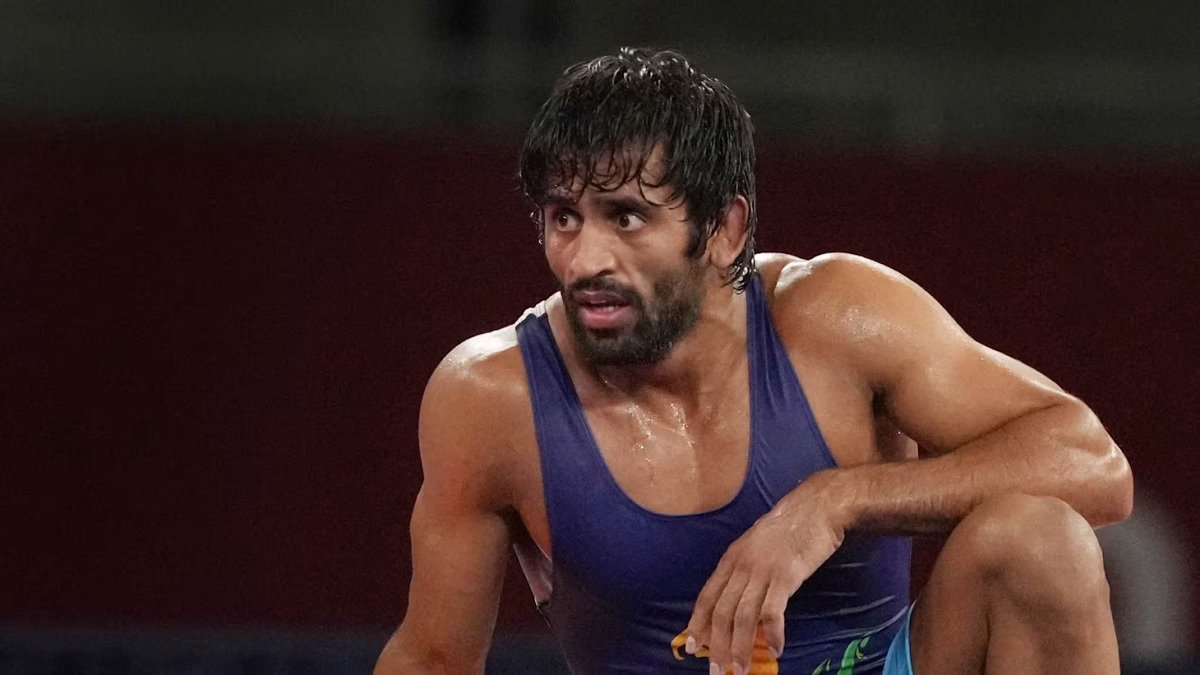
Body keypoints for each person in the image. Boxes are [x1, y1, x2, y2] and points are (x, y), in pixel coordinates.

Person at [373, 47, 1133, 674]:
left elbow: (1094, 466)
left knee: (1041, 544)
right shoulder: (492, 396)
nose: (584, 259)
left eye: (626, 217)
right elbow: (433, 657)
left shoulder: (839, 319)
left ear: (724, 229)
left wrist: (834, 501)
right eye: (563, 217)